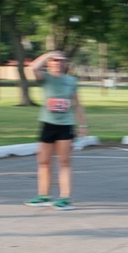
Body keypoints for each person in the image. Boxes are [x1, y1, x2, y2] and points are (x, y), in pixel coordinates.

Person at [25, 51, 87, 211]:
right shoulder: (45, 78)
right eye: (54, 61)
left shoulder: (71, 81)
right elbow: (32, 68)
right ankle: (43, 195)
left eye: (61, 61)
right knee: (43, 162)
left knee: (64, 162)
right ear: (49, 63)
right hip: (47, 124)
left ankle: (65, 197)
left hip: (65, 126)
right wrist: (48, 54)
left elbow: (78, 105)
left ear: (66, 64)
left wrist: (83, 126)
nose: (58, 63)